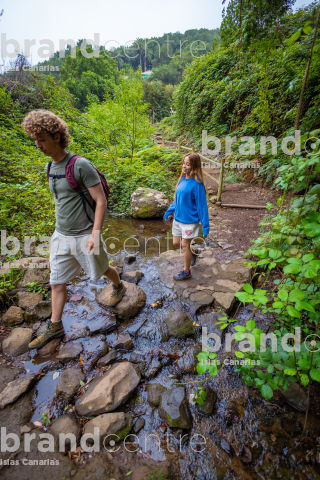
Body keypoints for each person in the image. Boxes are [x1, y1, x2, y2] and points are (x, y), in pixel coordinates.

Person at [22, 110, 126, 350]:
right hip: (61, 235)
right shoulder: (50, 167)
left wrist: (95, 234)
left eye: (42, 139)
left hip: (85, 234)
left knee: (102, 270)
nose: (38, 145)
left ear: (57, 136)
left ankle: (119, 286)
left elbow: (101, 200)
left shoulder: (80, 165)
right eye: (35, 140)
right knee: (57, 282)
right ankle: (55, 325)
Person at [163, 153, 210, 280]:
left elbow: (202, 206)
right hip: (178, 219)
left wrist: (205, 227)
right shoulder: (182, 180)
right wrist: (168, 212)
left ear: (194, 166)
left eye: (187, 164)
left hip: (190, 221)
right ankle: (193, 253)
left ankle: (186, 271)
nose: (184, 166)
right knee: (176, 243)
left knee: (184, 246)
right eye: (183, 163)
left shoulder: (197, 185)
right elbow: (178, 200)